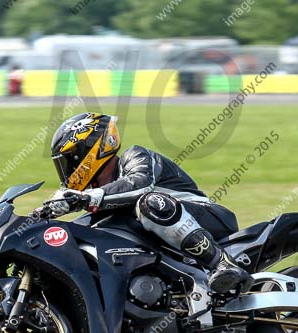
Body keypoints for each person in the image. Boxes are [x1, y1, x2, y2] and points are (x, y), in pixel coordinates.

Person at [41, 112, 251, 294]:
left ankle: (221, 262)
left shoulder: (135, 156)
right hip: (167, 239)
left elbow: (138, 184)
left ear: (90, 151)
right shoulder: (98, 197)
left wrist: (83, 199)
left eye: (70, 160)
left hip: (209, 217)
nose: (67, 170)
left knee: (149, 203)